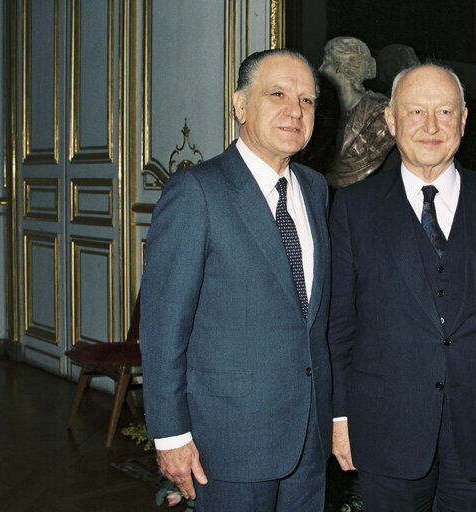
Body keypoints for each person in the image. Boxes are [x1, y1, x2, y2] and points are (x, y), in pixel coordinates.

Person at [328, 63, 476, 511]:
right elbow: (338, 326)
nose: (431, 127)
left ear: (464, 120)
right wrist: (339, 416)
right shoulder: (353, 208)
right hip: (385, 425)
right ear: (390, 120)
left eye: (445, 112)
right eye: (415, 112)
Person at [140, 49, 332, 512]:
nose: (295, 110)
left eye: (307, 101)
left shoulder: (315, 188)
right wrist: (170, 435)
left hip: (308, 437)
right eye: (278, 94)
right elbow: (164, 327)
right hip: (228, 441)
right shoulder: (196, 192)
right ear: (240, 106)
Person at [317, 37, 396, 188]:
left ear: (339, 67)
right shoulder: (323, 113)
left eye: (325, 63)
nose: (320, 69)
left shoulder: (381, 117)